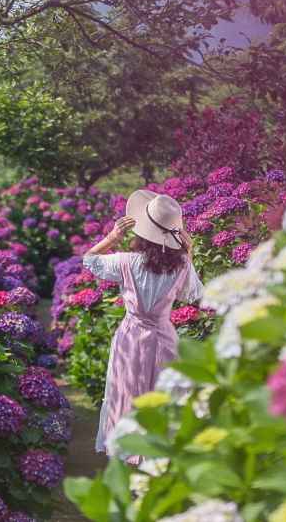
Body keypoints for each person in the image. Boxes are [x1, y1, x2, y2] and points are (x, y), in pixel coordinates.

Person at [83, 190, 204, 461]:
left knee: (127, 393)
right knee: (162, 397)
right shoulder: (182, 264)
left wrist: (113, 237)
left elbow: (89, 260)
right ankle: (159, 457)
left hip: (130, 337)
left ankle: (128, 451)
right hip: (164, 338)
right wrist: (190, 253)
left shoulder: (125, 261)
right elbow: (191, 295)